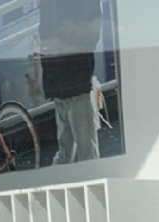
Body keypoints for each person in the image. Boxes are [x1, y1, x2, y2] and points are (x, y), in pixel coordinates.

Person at [38, 0, 102, 165]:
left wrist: (60, 37)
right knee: (84, 151)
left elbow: (89, 34)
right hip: (68, 78)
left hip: (65, 78)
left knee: (71, 151)